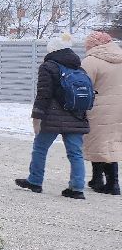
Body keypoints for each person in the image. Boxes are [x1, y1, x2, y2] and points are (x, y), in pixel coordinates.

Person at [16, 32, 91, 199]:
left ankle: (35, 181)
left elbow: (43, 94)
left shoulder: (48, 66)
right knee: (75, 153)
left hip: (52, 116)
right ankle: (77, 188)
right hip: (76, 116)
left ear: (52, 49)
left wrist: (37, 117)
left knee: (40, 148)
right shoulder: (79, 68)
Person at [81, 31, 122, 195]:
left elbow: (83, 87)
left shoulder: (90, 62)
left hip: (98, 108)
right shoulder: (120, 57)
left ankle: (106, 182)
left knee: (98, 144)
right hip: (119, 108)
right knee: (111, 144)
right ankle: (105, 181)